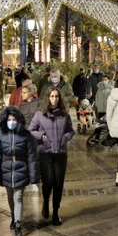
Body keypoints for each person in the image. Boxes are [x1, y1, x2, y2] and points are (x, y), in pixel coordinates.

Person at [0, 106, 38, 236]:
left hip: (20, 169)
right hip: (6, 169)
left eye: (14, 119)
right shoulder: (0, 135)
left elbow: (31, 156)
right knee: (10, 197)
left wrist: (33, 175)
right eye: (9, 119)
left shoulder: (26, 135)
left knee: (18, 197)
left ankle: (18, 224)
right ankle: (13, 215)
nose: (12, 122)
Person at [29, 88, 75, 226]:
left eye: (56, 96)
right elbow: (32, 130)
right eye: (51, 96)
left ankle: (56, 211)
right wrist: (42, 136)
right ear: (47, 98)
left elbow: (71, 131)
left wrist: (65, 137)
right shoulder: (39, 115)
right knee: (48, 182)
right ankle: (45, 202)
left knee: (58, 183)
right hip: (46, 153)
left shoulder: (65, 115)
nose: (54, 99)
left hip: (60, 154)